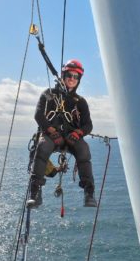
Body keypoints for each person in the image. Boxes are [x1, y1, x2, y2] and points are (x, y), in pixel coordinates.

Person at [29, 59, 97, 208]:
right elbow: (38, 115)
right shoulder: (48, 95)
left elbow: (88, 125)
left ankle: (89, 193)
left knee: (83, 149)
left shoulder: (80, 102)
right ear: (64, 75)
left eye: (76, 76)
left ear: (79, 80)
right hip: (50, 136)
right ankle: (35, 192)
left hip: (71, 137)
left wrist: (79, 133)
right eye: (69, 75)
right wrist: (51, 131)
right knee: (42, 147)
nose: (72, 79)